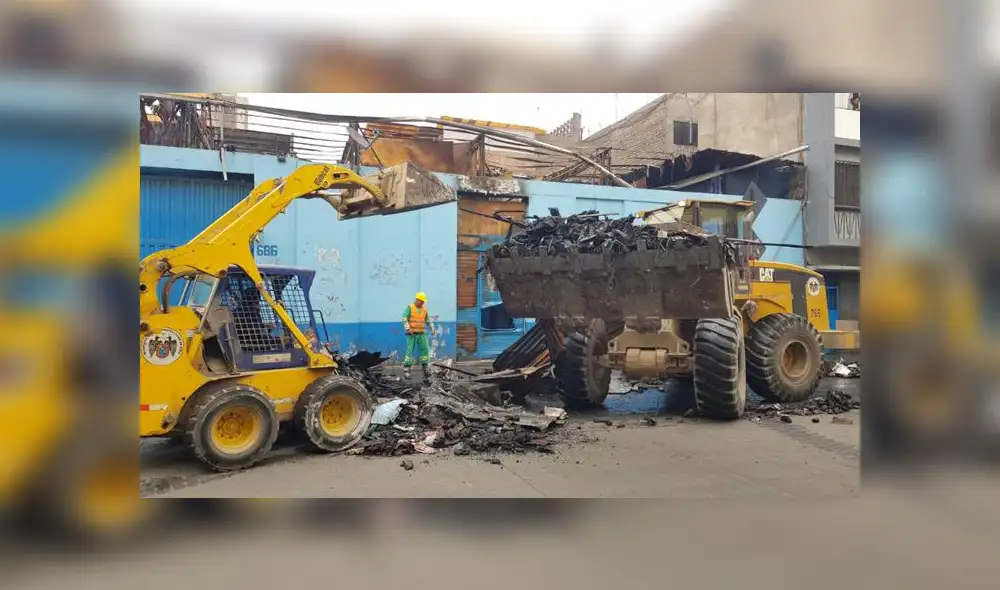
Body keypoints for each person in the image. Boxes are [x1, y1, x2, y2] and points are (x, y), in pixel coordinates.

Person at [402, 292, 433, 381]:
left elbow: (427, 319)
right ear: (417, 300)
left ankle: (425, 369)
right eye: (421, 301)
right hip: (411, 334)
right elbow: (404, 318)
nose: (423, 303)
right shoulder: (409, 308)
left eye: (423, 301)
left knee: (425, 350)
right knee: (410, 351)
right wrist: (408, 328)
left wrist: (431, 327)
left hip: (421, 333)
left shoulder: (424, 309)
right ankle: (407, 370)